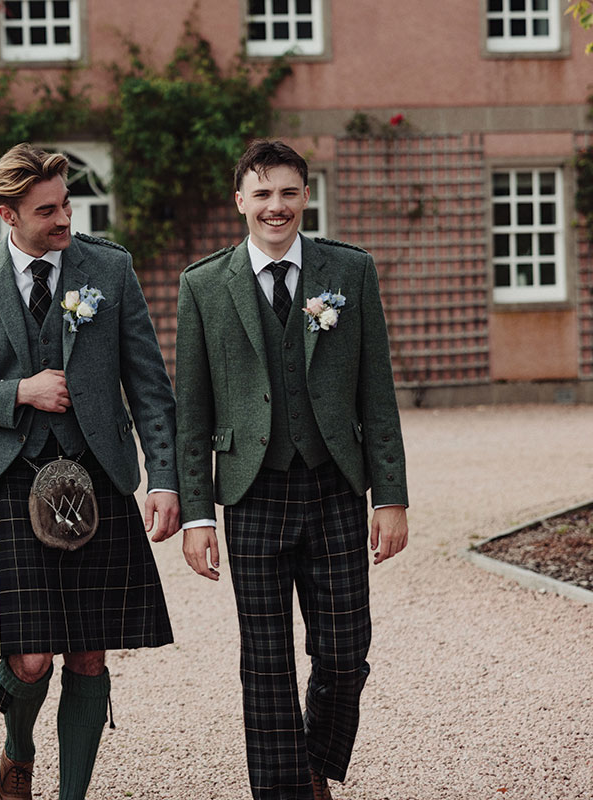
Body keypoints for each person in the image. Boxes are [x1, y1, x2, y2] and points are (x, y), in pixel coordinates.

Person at [0, 143, 181, 800]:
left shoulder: (110, 268)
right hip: (13, 479)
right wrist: (20, 392)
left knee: (89, 651)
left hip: (97, 474)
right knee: (31, 655)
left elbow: (150, 386)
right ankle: (18, 751)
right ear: (8, 214)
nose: (65, 218)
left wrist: (163, 477)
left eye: (66, 203)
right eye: (47, 210)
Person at [174, 140, 410, 800]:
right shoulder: (203, 286)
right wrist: (197, 515)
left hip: (335, 485)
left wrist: (390, 495)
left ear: (306, 196)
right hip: (251, 492)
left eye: (287, 192)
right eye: (262, 193)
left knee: (345, 650)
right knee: (266, 657)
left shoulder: (350, 271)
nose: (275, 206)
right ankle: (287, 790)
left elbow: (377, 391)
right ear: (239, 201)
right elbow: (190, 410)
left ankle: (314, 761)